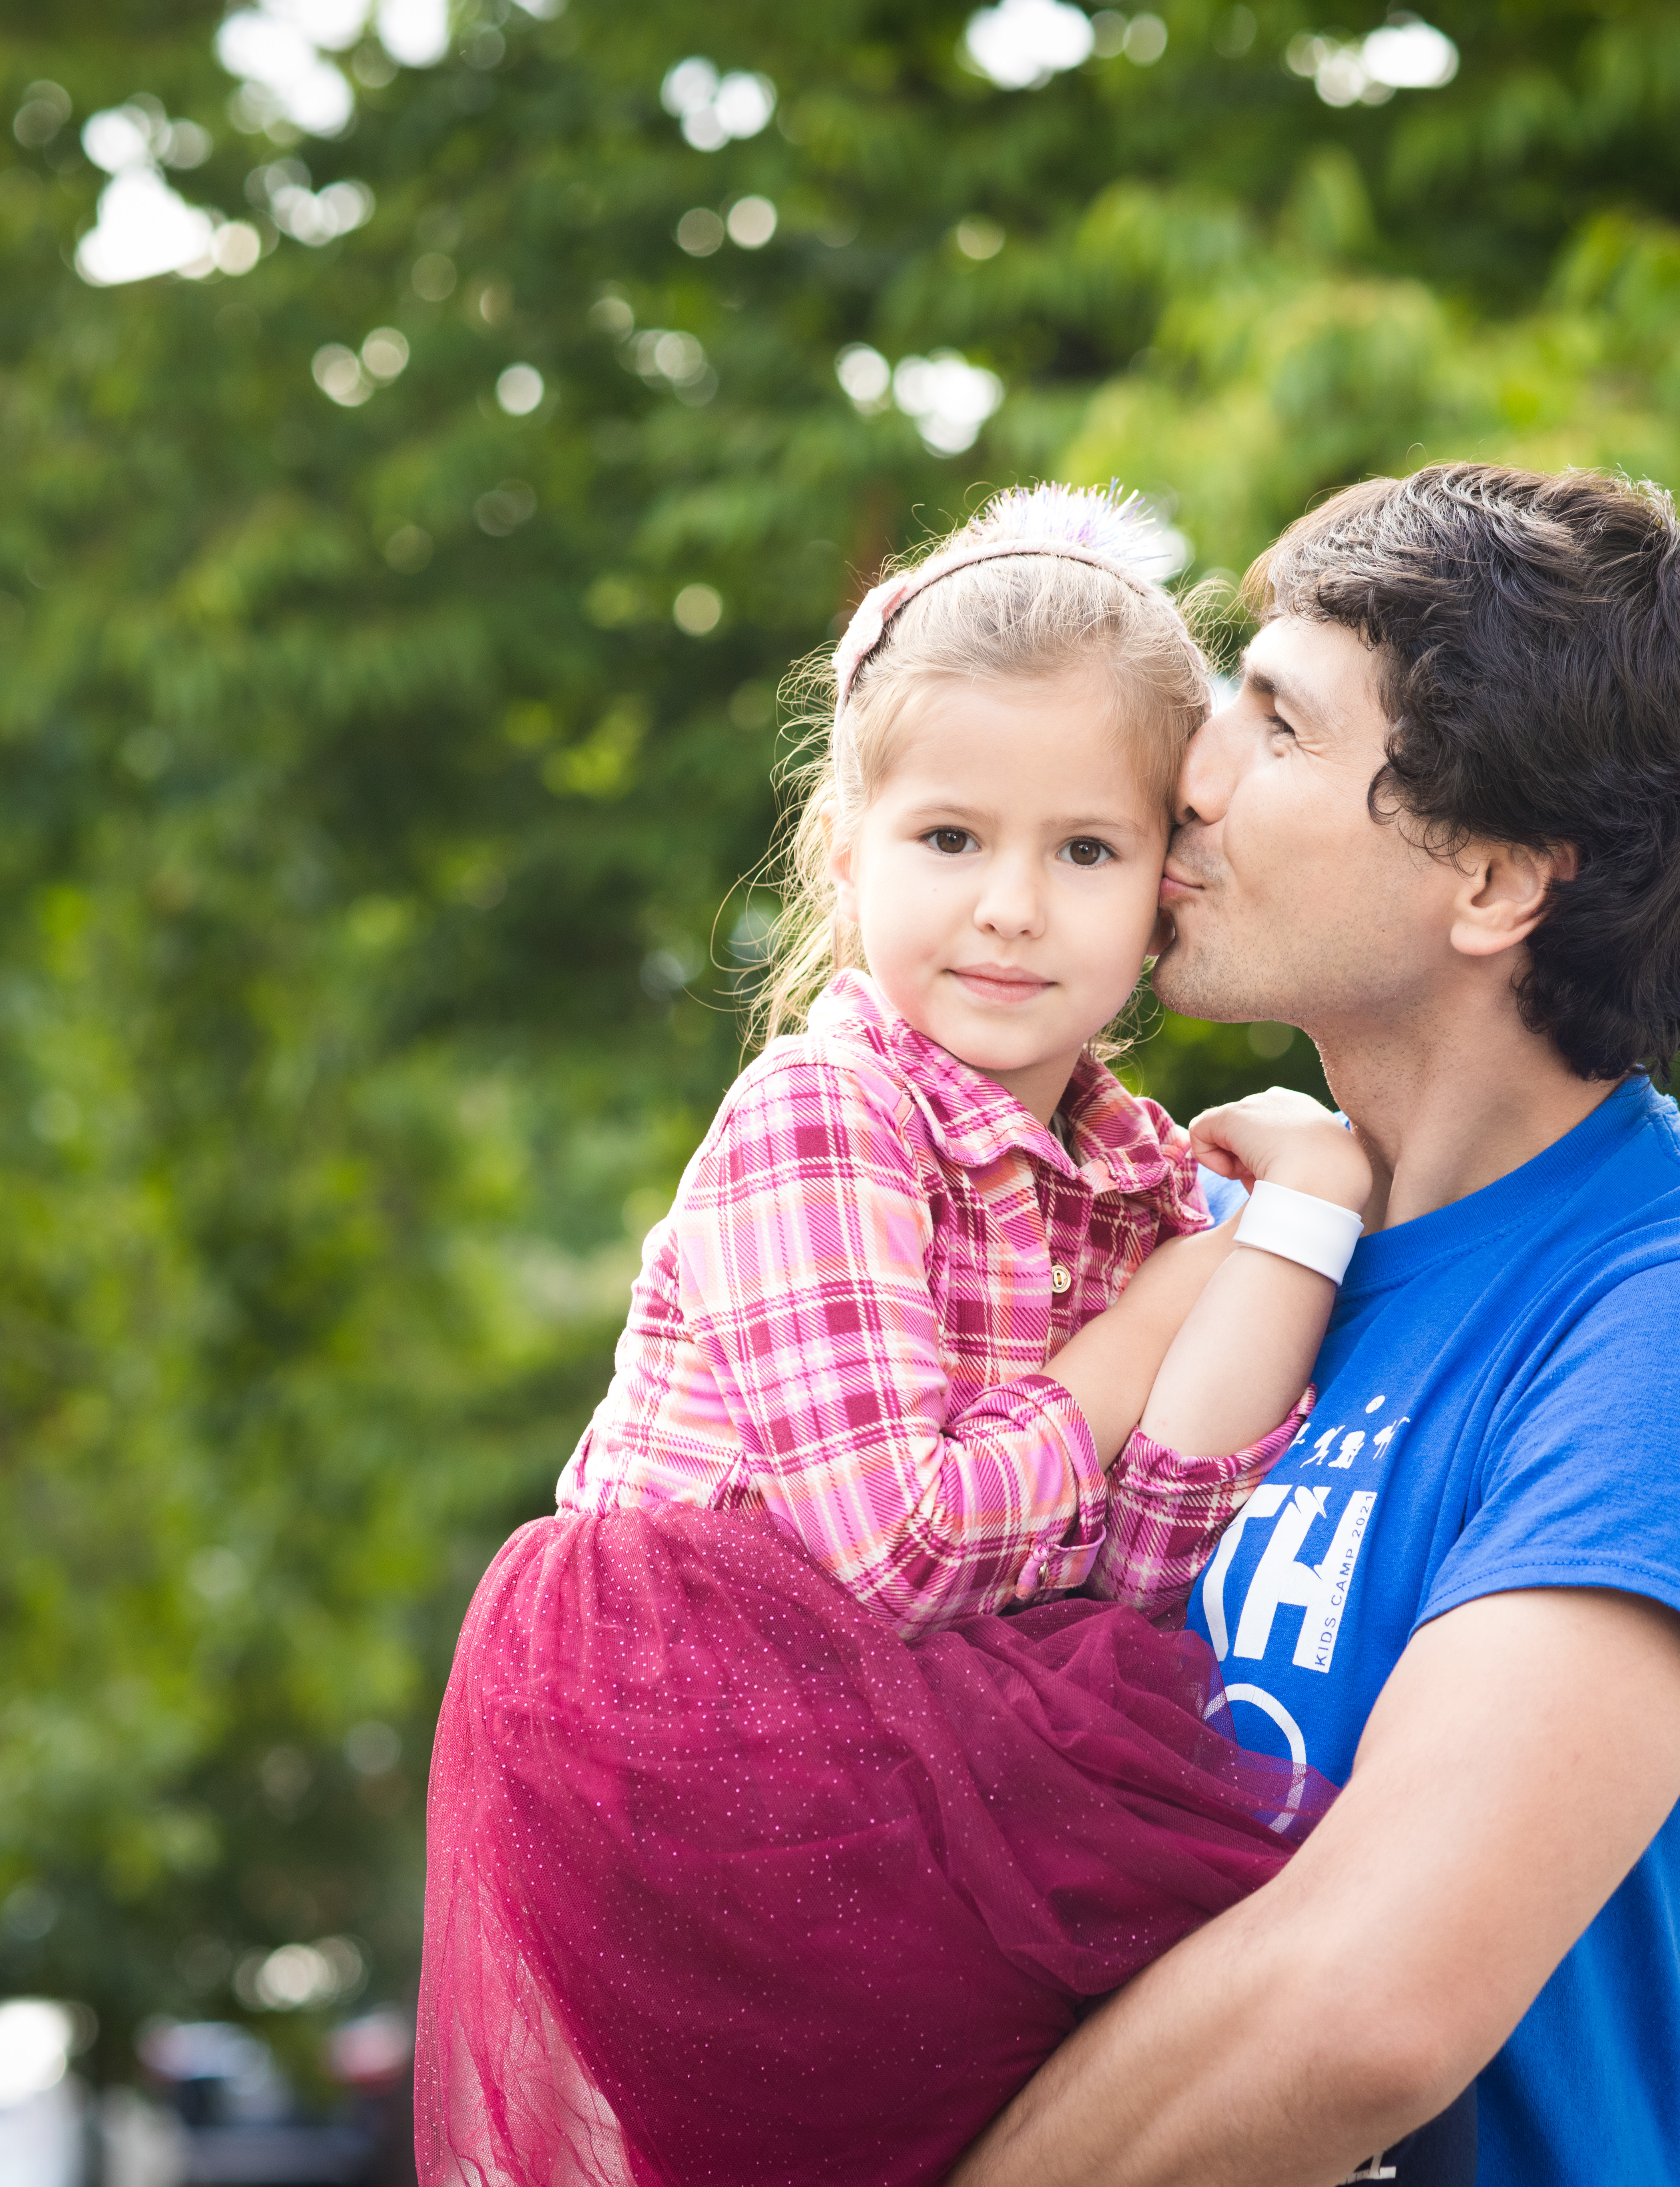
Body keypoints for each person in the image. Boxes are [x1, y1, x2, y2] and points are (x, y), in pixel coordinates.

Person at [417, 485, 1381, 2186]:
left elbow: (1153, 1555)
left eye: (1081, 850)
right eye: (950, 838)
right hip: (708, 1747)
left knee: (1249, 1959)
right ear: (844, 846)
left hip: (928, 1731)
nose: (1009, 906)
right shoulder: (822, 1112)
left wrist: (1296, 1209)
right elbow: (889, 1557)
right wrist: (1171, 1300)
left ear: (1165, 885)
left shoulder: (1133, 1167)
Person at [951, 464, 1680, 2187]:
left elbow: (1363, 2000)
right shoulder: (1195, 1228)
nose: (1189, 776)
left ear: (1495, 881)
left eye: (1280, 729)